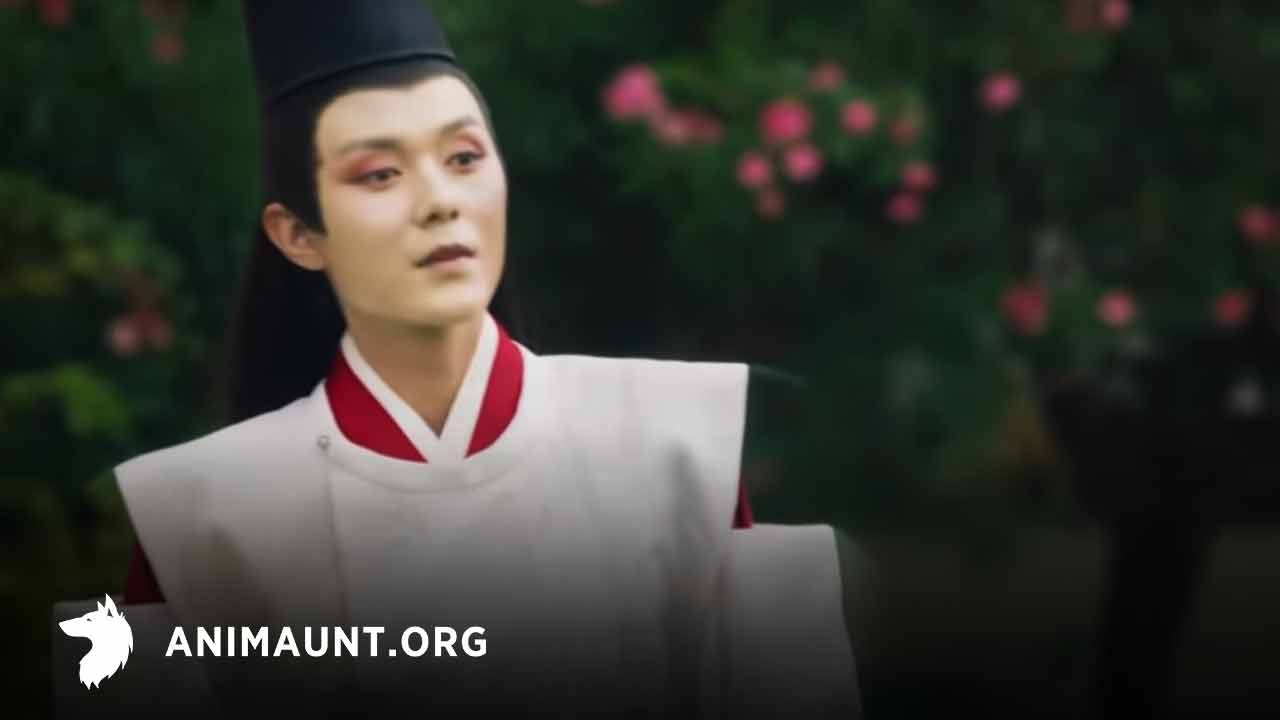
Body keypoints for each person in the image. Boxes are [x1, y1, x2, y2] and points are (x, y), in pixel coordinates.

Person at [110, 1, 861, 716]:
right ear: (297, 235)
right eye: (380, 173)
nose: (440, 201)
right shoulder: (201, 523)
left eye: (464, 157)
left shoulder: (675, 451)